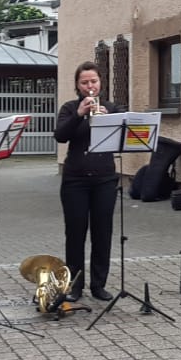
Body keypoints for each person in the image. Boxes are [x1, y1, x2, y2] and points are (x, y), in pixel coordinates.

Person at [53, 62, 125, 302]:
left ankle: (98, 285)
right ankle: (74, 286)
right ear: (77, 85)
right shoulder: (70, 108)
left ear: (100, 83)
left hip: (105, 178)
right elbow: (61, 135)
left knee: (102, 233)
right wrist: (80, 114)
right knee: (75, 234)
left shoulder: (112, 108)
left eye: (93, 81)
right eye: (84, 82)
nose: (89, 86)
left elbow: (123, 136)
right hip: (75, 180)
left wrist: (109, 119)